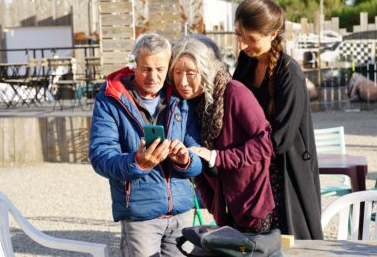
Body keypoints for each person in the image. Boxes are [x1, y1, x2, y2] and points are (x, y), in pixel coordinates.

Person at [89, 33, 203, 257]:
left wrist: (186, 159)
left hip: (181, 213)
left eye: (160, 69)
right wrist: (136, 162)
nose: (153, 76)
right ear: (133, 65)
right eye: (146, 69)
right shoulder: (111, 99)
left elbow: (198, 155)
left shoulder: (179, 99)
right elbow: (100, 156)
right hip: (140, 217)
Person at [232, 0, 323, 239]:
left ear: (273, 34)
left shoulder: (290, 73)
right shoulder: (246, 61)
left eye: (251, 39)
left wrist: (232, 157)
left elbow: (281, 139)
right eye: (239, 36)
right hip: (254, 172)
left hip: (286, 175)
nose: (242, 45)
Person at [168, 36, 275, 233]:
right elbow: (196, 157)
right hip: (224, 210)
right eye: (177, 72)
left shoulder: (235, 92)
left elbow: (266, 142)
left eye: (191, 73)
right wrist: (211, 202)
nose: (182, 81)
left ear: (206, 70)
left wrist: (217, 157)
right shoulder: (187, 106)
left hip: (254, 204)